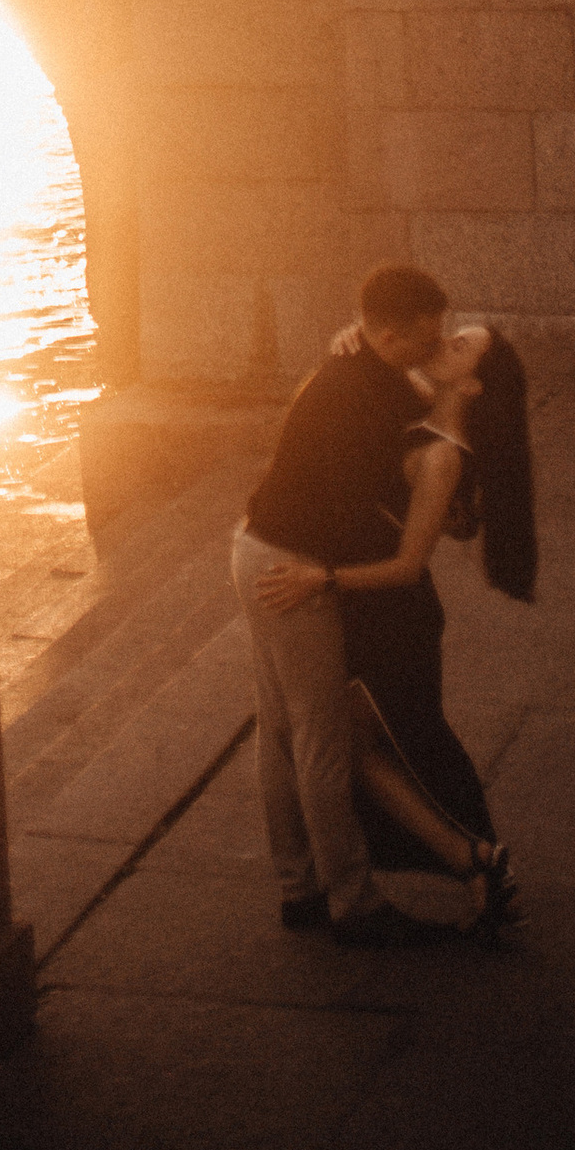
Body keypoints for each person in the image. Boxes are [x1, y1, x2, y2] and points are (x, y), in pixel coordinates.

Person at [231, 263, 460, 949]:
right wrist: (327, 580)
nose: (434, 345)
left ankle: (299, 888)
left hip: (256, 545)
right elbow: (372, 523)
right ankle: (353, 901)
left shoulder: (361, 367)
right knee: (320, 739)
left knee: (280, 728)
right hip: (289, 567)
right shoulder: (367, 401)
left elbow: (407, 382)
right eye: (425, 337)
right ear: (388, 336)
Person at [320, 322, 534, 942]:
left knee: (382, 747)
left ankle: (477, 860)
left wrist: (320, 580)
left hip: (393, 618)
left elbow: (409, 564)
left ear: (472, 385)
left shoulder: (443, 454)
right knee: (396, 744)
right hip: (386, 613)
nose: (444, 341)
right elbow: (390, 364)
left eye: (462, 346)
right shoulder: (426, 406)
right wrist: (360, 334)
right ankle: (478, 866)